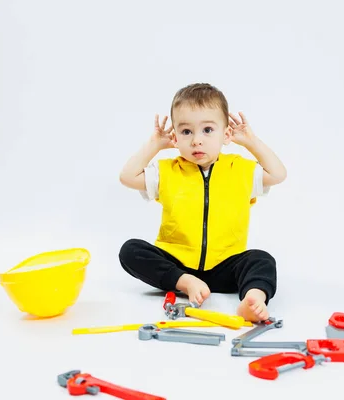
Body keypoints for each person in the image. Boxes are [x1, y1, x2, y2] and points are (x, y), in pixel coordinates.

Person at [118, 83, 287, 322]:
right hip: (176, 266)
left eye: (207, 130)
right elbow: (127, 177)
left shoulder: (239, 170)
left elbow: (278, 174)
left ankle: (253, 299)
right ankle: (186, 283)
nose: (197, 140)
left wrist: (251, 141)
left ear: (226, 134)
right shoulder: (167, 172)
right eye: (187, 132)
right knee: (130, 250)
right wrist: (154, 145)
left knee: (261, 260)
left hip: (225, 266)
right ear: (175, 137)